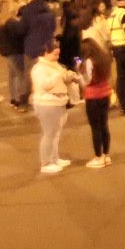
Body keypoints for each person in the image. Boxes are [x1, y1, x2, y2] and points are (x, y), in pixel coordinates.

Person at [30, 38, 79, 176]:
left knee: (56, 133)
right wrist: (59, 75)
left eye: (58, 54)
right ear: (44, 53)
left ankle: (54, 158)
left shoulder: (55, 65)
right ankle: (46, 163)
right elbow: (45, 85)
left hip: (60, 103)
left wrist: (68, 77)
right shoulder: (39, 68)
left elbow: (61, 80)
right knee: (49, 134)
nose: (57, 57)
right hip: (47, 104)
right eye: (54, 55)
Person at [78, 39, 114, 168]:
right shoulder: (103, 58)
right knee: (104, 125)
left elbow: (86, 81)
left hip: (93, 96)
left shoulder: (88, 61)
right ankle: (106, 155)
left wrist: (79, 74)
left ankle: (98, 157)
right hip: (105, 94)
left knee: (95, 127)